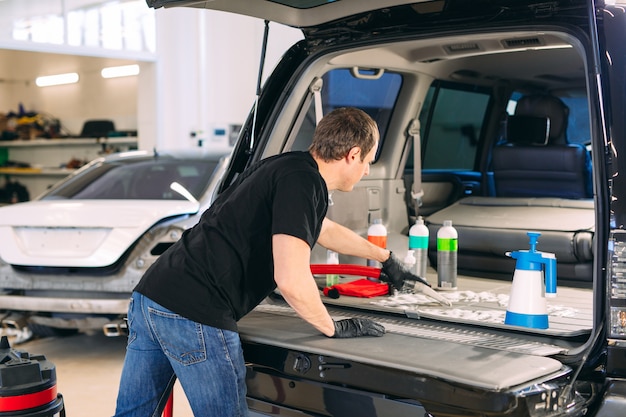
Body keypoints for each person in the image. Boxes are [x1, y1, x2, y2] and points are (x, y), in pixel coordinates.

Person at [112, 107, 424, 417]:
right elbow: (290, 279)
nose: (367, 171)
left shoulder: (287, 166)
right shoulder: (305, 183)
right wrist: (331, 327)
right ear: (353, 155)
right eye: (368, 161)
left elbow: (323, 229)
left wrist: (385, 258)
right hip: (196, 312)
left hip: (152, 295)